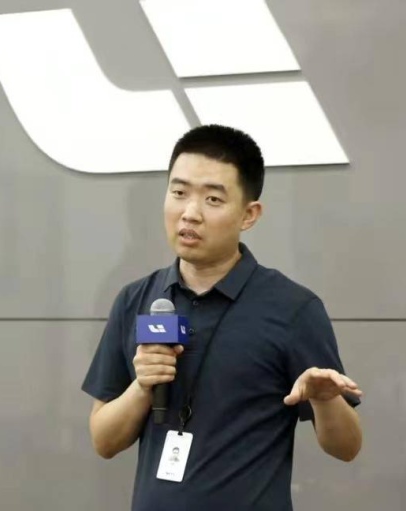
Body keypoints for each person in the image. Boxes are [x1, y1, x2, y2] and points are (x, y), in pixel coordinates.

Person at [81, 125, 362, 511]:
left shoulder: (292, 309)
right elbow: (104, 440)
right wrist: (143, 386)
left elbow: (347, 447)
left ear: (249, 214)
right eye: (179, 193)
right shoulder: (136, 300)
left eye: (212, 199)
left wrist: (326, 400)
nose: (189, 213)